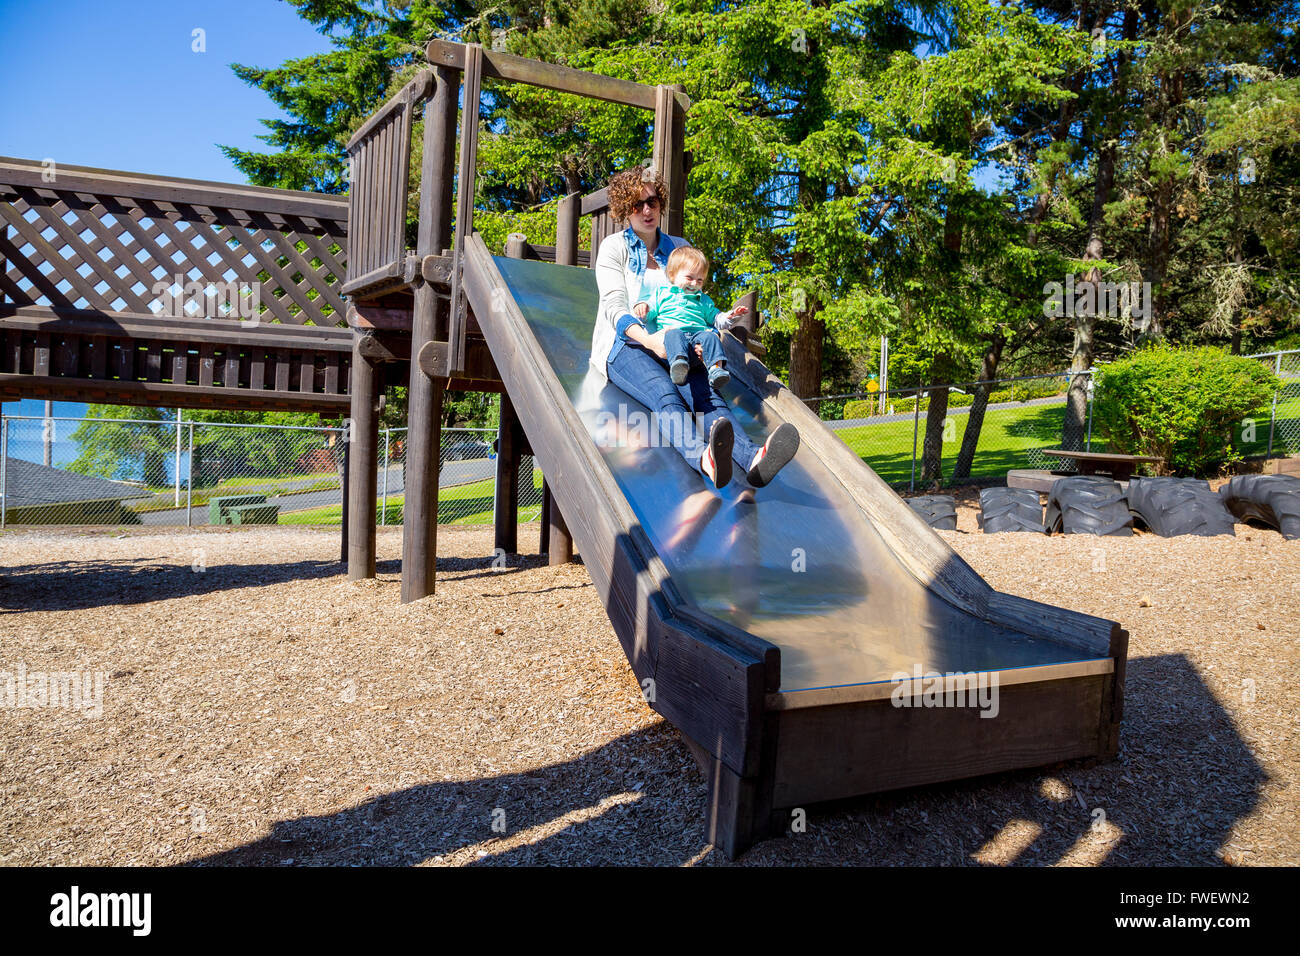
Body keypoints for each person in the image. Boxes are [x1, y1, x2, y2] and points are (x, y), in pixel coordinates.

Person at [589, 165, 799, 489]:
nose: (647, 210)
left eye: (653, 202)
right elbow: (615, 308)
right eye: (637, 204)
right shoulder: (613, 249)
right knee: (666, 394)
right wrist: (649, 340)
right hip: (628, 345)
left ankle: (754, 459)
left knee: (710, 397)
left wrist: (706, 336)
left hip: (680, 342)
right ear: (624, 209)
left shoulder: (678, 246)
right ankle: (704, 458)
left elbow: (695, 302)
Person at [631, 245, 744, 390]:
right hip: (673, 343)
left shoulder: (703, 300)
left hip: (698, 341)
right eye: (689, 277)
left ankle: (716, 369)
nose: (694, 283)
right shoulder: (663, 293)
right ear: (672, 275)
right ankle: (679, 365)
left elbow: (717, 320)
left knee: (712, 337)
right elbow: (649, 314)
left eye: (700, 280)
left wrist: (732, 315)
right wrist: (643, 309)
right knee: (672, 333)